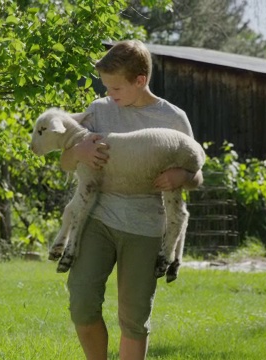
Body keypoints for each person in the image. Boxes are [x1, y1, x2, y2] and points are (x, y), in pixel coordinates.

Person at [59, 40, 203, 360]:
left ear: (141, 81)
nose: (109, 94)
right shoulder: (98, 111)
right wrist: (77, 151)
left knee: (134, 319)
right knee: (82, 305)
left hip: (146, 226)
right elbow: (65, 162)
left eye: (116, 87)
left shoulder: (173, 119)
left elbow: (196, 175)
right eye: (106, 86)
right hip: (98, 218)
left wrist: (181, 177)